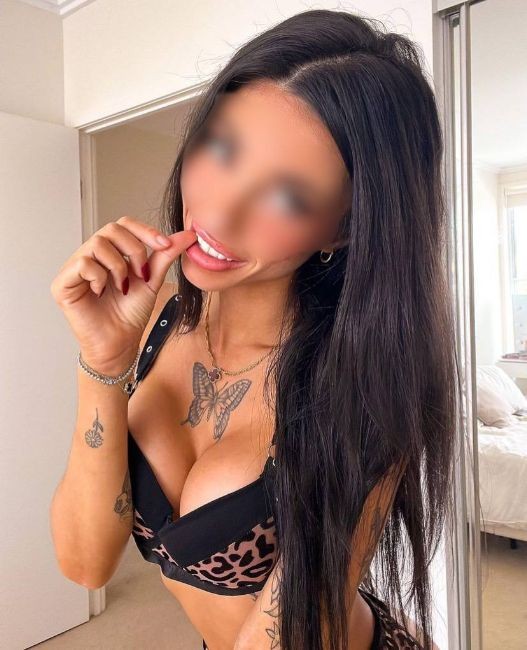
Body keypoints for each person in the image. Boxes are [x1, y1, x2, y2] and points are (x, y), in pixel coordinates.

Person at [50, 8, 457, 650]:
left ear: (344, 229)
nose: (221, 211)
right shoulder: (154, 320)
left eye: (288, 196)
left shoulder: (363, 388)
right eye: (222, 147)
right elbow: (84, 565)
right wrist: (103, 362)